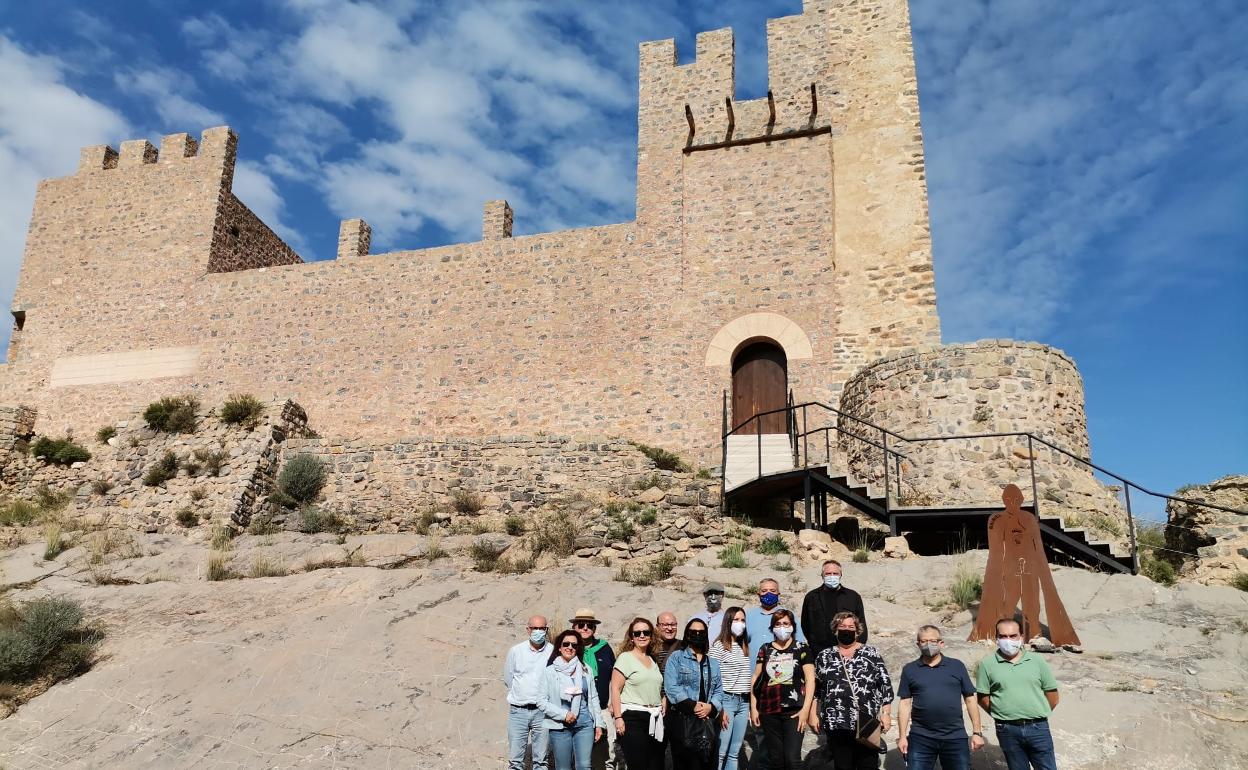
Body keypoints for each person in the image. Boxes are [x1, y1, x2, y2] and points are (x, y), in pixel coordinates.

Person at [811, 611, 893, 770]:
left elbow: (885, 685)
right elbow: (817, 690)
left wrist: (886, 714)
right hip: (836, 721)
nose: (846, 630)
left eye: (850, 627)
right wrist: (813, 714)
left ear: (857, 631)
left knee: (868, 765)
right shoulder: (824, 656)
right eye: (842, 626)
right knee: (842, 765)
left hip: (865, 721)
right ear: (835, 630)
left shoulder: (871, 653)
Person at [896, 625, 984, 770]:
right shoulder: (909, 669)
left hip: (955, 736)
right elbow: (905, 703)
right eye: (924, 641)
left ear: (941, 643)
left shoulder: (957, 666)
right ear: (918, 644)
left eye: (933, 641)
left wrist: (977, 732)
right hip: (920, 737)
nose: (928, 644)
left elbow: (970, 699)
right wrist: (902, 736)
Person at [976, 618, 1060, 770]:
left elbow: (1052, 695)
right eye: (1003, 636)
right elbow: (982, 698)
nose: (1008, 640)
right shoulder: (987, 665)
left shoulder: (1037, 661)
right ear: (997, 638)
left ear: (1021, 637)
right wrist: (1002, 713)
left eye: (1013, 636)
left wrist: (1037, 711)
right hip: (1007, 730)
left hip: (1038, 727)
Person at [749, 609, 814, 770]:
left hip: (794, 711)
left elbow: (810, 680)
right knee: (776, 759)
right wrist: (754, 708)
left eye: (786, 623)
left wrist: (806, 710)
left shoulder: (801, 648)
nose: (782, 627)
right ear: (772, 627)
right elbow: (756, 678)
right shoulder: (765, 649)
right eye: (778, 624)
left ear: (792, 626)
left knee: (793, 759)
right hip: (769, 710)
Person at [541, 630, 607, 770]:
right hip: (560, 726)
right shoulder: (549, 671)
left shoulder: (585, 669)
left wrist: (599, 723)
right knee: (563, 767)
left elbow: (593, 697)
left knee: (584, 766)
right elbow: (541, 701)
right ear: (559, 647)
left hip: (584, 725)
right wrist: (564, 715)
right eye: (566, 644)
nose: (570, 647)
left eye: (574, 645)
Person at [663, 618, 724, 770]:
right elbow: (671, 687)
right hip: (682, 720)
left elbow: (718, 691)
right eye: (693, 632)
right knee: (684, 764)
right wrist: (693, 705)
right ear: (687, 634)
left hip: (705, 721)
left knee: (706, 764)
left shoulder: (713, 663)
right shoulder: (676, 658)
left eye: (701, 632)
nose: (697, 635)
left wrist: (711, 707)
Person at [610, 616, 666, 770]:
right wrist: (618, 717)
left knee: (655, 765)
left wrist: (663, 699)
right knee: (639, 765)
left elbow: (654, 686)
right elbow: (615, 688)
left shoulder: (652, 659)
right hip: (633, 718)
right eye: (637, 633)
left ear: (651, 635)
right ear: (632, 637)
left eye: (646, 632)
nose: (642, 636)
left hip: (654, 718)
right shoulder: (625, 658)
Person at [503, 615, 554, 770]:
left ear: (546, 630)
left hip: (542, 712)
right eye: (534, 628)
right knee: (515, 761)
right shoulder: (516, 651)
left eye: (542, 628)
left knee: (541, 761)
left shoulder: (553, 651)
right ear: (528, 629)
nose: (538, 631)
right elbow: (508, 678)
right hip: (518, 711)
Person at [572, 608, 619, 770]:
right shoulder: (569, 648)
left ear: (595, 628)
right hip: (578, 710)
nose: (585, 628)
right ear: (574, 628)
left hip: (603, 708)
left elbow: (614, 677)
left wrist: (613, 703)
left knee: (608, 753)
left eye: (589, 625)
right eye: (581, 624)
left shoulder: (605, 648)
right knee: (580, 756)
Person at [710, 606, 752, 770]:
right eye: (736, 620)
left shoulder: (744, 647)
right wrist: (719, 707)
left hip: (743, 702)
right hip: (726, 700)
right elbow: (712, 678)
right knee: (721, 751)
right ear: (728, 622)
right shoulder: (719, 646)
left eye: (743, 620)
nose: (740, 624)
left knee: (734, 752)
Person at [801, 560, 868, 657]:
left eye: (835, 573)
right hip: (819, 651)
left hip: (847, 651)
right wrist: (814, 644)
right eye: (828, 573)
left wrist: (856, 649)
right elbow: (805, 625)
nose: (832, 576)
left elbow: (861, 625)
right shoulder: (811, 597)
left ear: (841, 575)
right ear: (822, 575)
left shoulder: (853, 596)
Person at [745, 578, 806, 650]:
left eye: (772, 591)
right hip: (754, 660)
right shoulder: (748, 616)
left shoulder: (788, 615)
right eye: (764, 591)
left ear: (778, 594)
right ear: (759, 594)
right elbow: (741, 643)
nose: (768, 593)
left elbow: (799, 642)